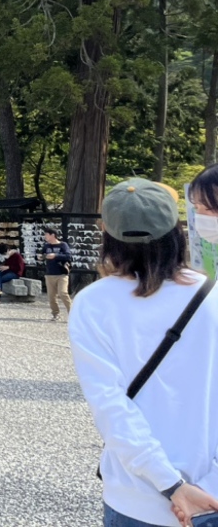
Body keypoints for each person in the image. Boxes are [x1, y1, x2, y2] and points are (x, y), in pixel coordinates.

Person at [69, 177, 218, 527]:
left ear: (108, 236)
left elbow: (112, 409)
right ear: (177, 231)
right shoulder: (212, 296)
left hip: (136, 498)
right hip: (211, 496)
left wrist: (172, 486)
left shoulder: (92, 304)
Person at [42, 226, 74, 321]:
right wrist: (41, 257)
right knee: (51, 296)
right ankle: (55, 314)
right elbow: (42, 255)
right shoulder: (46, 246)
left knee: (63, 293)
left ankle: (72, 313)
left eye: (46, 235)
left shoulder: (63, 245)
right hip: (49, 274)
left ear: (53, 235)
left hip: (62, 274)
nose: (45, 237)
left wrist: (55, 255)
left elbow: (68, 256)